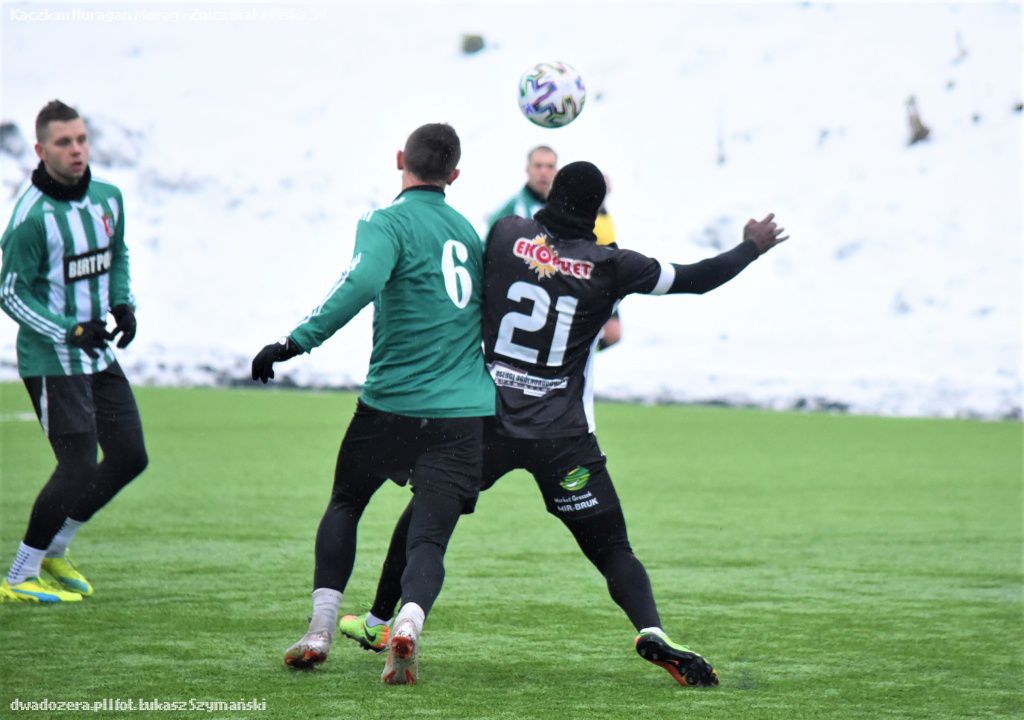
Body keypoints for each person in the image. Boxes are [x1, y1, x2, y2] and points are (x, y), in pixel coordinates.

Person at [336, 161, 788, 687]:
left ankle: (385, 622)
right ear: (596, 211)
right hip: (563, 438)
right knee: (613, 550)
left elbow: (455, 284)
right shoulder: (613, 265)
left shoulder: (507, 235)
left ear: (550, 196)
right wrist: (751, 246)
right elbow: (696, 279)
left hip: (483, 424)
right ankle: (652, 629)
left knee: (425, 523)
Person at [250, 123, 495, 685]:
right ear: (454, 175)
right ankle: (407, 623)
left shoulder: (386, 222)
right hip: (462, 413)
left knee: (346, 504)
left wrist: (294, 342)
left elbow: (361, 283)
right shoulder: (468, 232)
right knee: (428, 537)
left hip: (392, 405)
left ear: (400, 158)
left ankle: (319, 631)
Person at [0, 100, 146, 604]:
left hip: (96, 353)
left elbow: (117, 255)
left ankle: (55, 549)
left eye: (81, 139)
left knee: (129, 456)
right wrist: (69, 330)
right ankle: (19, 576)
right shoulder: (30, 219)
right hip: (52, 360)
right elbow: (11, 294)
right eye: (64, 142)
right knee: (78, 465)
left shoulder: (108, 198)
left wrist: (122, 303)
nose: (77, 149)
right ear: (41, 151)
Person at [486, 145, 557, 231]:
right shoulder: (513, 207)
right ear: (528, 169)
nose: (544, 172)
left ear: (556, 171)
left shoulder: (561, 208)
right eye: (538, 166)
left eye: (550, 166)